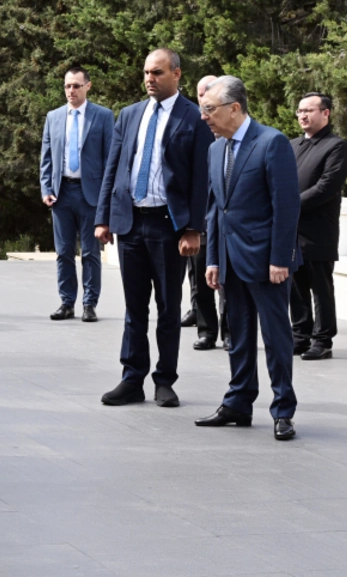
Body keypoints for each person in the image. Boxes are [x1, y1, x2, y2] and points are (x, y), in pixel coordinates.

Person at [95, 48, 213, 408]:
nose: (150, 79)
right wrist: (103, 218)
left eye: (158, 72)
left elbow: (201, 179)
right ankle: (132, 379)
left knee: (167, 307)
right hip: (131, 224)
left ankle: (164, 380)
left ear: (176, 74)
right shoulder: (130, 115)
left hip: (168, 226)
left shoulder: (194, 117)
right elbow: (114, 168)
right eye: (146, 72)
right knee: (134, 308)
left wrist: (193, 229)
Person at [197, 76, 300, 441]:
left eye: (210, 109)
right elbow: (214, 210)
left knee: (275, 338)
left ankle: (283, 410)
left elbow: (286, 207)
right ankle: (238, 403)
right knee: (237, 337)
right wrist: (212, 259)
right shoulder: (215, 149)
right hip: (229, 260)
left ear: (235, 108)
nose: (204, 116)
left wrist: (280, 258)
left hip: (267, 262)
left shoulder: (271, 143)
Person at [39, 66, 113, 323]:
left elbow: (109, 159)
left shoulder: (103, 116)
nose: (71, 90)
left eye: (76, 86)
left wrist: (107, 198)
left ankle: (89, 304)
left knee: (91, 253)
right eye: (68, 86)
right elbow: (46, 157)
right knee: (63, 251)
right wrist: (46, 188)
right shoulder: (54, 117)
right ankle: (67, 302)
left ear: (87, 86)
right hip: (62, 193)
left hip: (90, 194)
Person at [290, 92, 347, 361]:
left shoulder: (337, 147)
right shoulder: (291, 145)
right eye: (300, 111)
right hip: (289, 230)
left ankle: (322, 340)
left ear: (325, 113)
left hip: (317, 232)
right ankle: (300, 336)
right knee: (295, 285)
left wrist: (289, 204)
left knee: (320, 287)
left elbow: (326, 187)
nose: (303, 115)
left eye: (309, 110)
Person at [182, 75, 230, 350]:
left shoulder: (231, 129)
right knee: (200, 279)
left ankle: (230, 333)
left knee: (227, 282)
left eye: (209, 92)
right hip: (200, 219)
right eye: (200, 93)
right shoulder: (194, 127)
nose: (203, 98)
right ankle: (206, 331)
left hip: (227, 221)